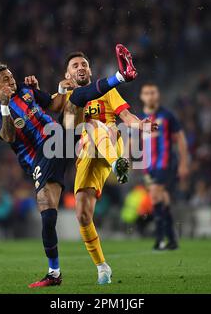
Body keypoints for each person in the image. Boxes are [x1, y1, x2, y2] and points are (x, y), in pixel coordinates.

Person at [0, 51, 136, 287]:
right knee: (48, 214)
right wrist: (4, 107)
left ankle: (120, 76)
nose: (12, 81)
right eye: (6, 79)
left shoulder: (26, 90)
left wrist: (61, 90)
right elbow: (8, 135)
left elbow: (54, 103)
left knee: (76, 101)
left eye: (11, 76)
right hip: (39, 161)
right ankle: (54, 273)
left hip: (58, 140)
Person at [56, 45, 156, 285]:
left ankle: (116, 165)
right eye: (75, 65)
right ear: (68, 75)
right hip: (87, 155)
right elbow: (67, 128)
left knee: (96, 126)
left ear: (90, 70)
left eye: (84, 64)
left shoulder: (107, 91)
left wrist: (140, 125)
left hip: (111, 145)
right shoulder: (67, 98)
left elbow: (126, 116)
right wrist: (63, 96)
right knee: (82, 214)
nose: (81, 67)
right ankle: (102, 267)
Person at [139, 83, 189, 251]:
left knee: (154, 195)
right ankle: (173, 239)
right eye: (147, 93)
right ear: (142, 96)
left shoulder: (168, 116)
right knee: (162, 198)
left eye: (153, 92)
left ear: (158, 95)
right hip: (148, 165)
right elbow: (132, 140)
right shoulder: (139, 118)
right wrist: (126, 158)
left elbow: (180, 139)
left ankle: (160, 239)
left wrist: (183, 163)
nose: (150, 96)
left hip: (165, 163)